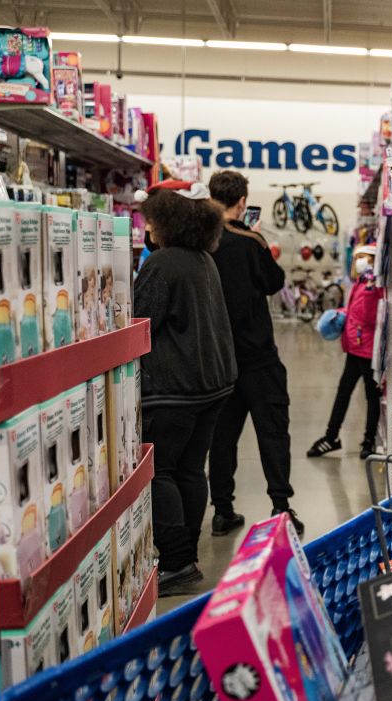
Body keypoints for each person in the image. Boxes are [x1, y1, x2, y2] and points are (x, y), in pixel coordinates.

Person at [132, 180, 238, 597]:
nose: (149, 229)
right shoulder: (202, 259)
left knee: (161, 470)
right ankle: (187, 556)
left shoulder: (163, 263)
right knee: (192, 468)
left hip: (174, 387)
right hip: (211, 384)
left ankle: (174, 562)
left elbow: (142, 321)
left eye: (152, 220)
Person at [204, 171, 303, 539]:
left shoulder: (201, 241)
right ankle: (280, 506)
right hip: (258, 356)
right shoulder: (251, 240)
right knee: (272, 432)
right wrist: (257, 237)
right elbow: (274, 282)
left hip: (219, 359)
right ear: (242, 202)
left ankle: (223, 510)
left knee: (222, 437)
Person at [308, 245, 385, 460]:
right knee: (343, 393)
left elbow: (368, 315)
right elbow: (356, 312)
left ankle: (368, 441)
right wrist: (341, 315)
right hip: (355, 347)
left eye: (364, 257)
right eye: (358, 257)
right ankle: (331, 436)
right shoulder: (361, 282)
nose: (360, 261)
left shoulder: (373, 285)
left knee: (371, 397)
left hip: (368, 350)